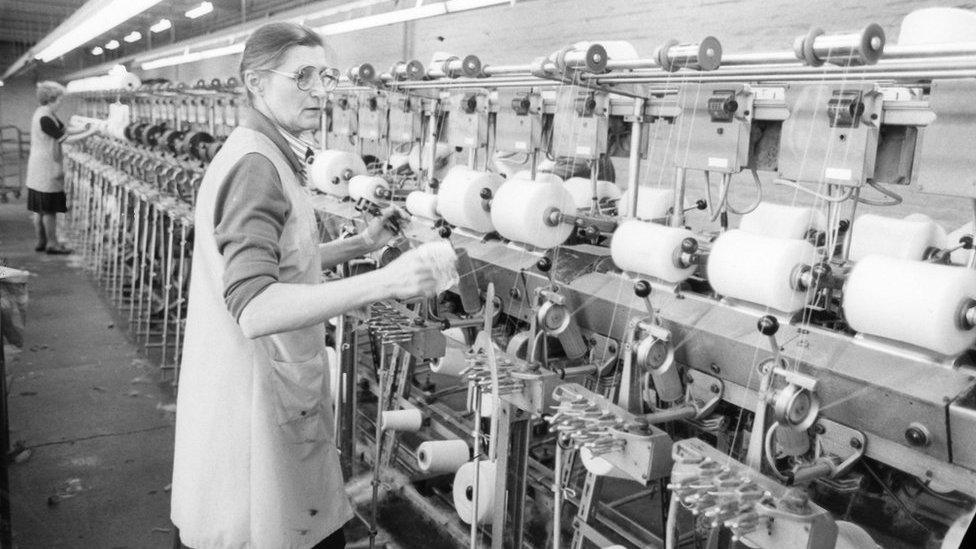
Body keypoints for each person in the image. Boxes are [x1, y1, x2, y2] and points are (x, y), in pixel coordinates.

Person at [170, 22, 442, 549]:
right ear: (255, 81)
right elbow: (255, 306)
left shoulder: (260, 152)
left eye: (327, 76)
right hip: (256, 408)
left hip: (252, 390)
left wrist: (360, 245)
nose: (321, 90)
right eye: (304, 76)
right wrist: (387, 280)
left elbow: (283, 263)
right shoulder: (257, 167)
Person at [25, 81, 97, 254]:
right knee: (48, 210)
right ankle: (52, 244)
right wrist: (91, 133)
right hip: (45, 168)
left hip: (39, 168)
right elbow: (65, 139)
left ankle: (41, 241)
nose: (61, 102)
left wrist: (84, 127)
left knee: (39, 209)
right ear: (51, 99)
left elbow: (65, 130)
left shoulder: (46, 113)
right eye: (59, 99)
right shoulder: (45, 118)